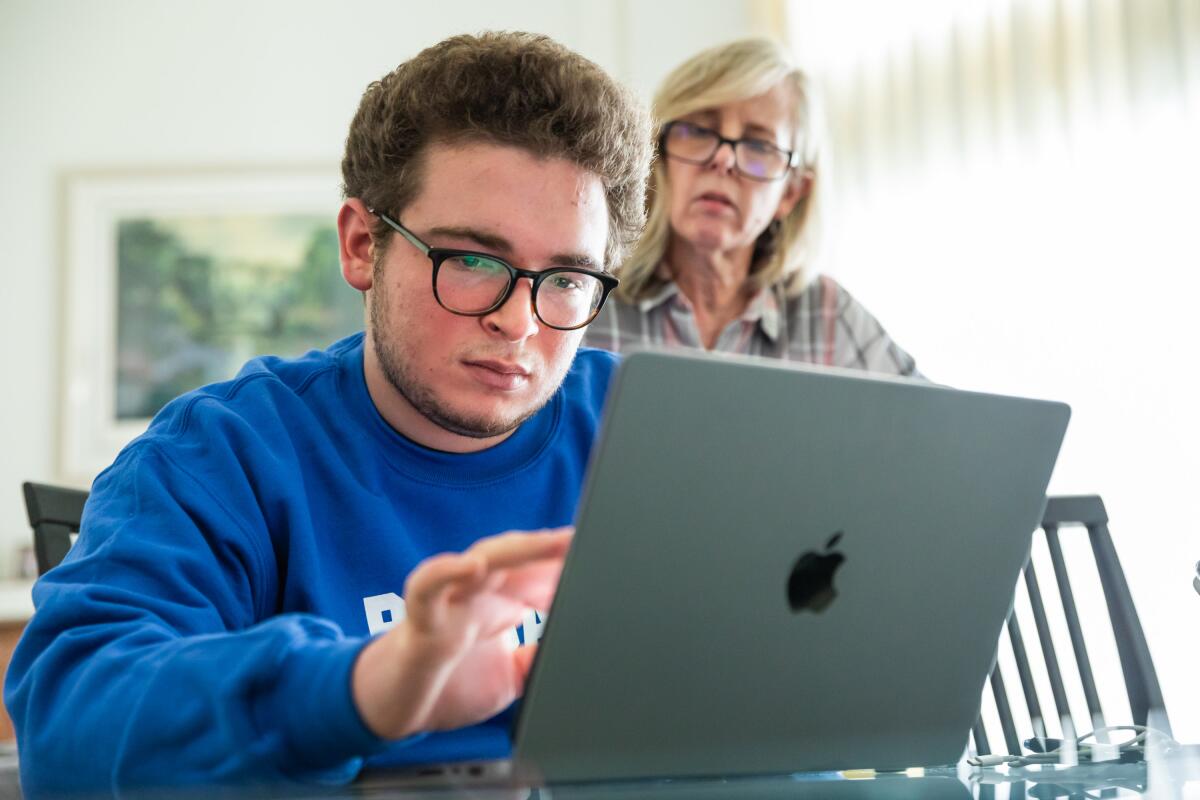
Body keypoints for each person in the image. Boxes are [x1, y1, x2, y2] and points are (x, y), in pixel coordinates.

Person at [4, 32, 652, 793]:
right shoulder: (221, 454)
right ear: (360, 245)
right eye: (473, 261)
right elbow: (67, 726)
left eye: (568, 277)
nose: (519, 321)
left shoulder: (649, 434)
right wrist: (363, 688)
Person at [585, 38, 918, 376]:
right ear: (659, 156)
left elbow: (943, 423)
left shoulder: (827, 315)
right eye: (700, 130)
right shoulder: (588, 296)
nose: (723, 159)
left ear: (792, 192)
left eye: (758, 145)